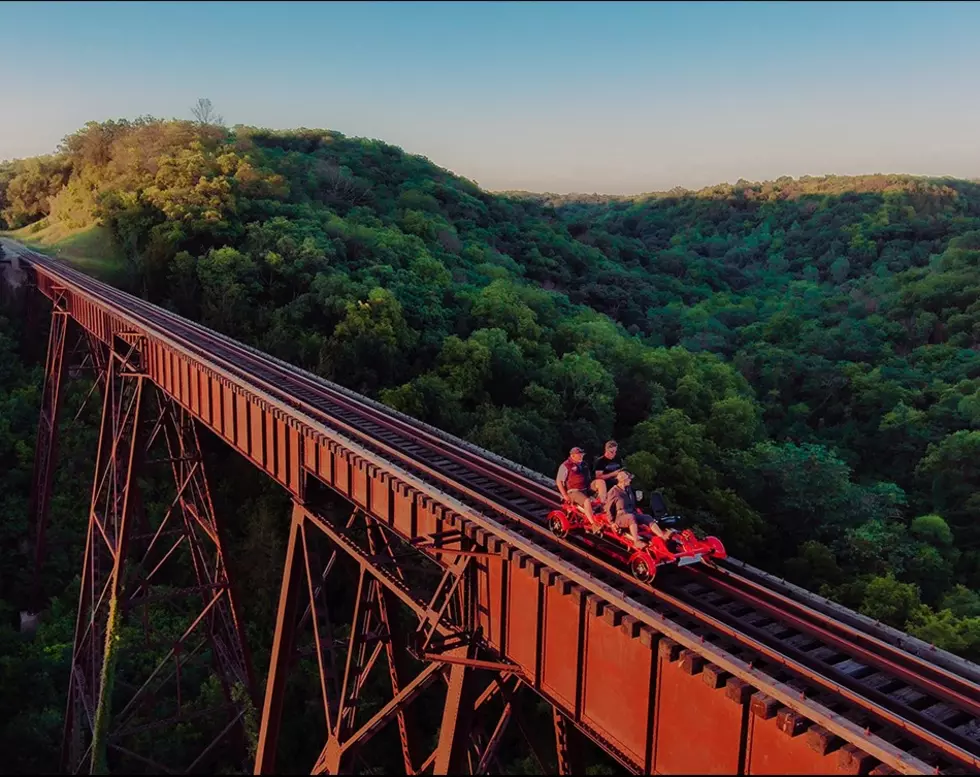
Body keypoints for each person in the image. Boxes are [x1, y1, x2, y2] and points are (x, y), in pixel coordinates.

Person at [605, 470, 668, 548]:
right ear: (622, 480)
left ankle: (662, 536)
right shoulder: (613, 492)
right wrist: (612, 523)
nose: (630, 480)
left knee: (647, 517)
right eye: (628, 479)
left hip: (631, 512)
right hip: (621, 517)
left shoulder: (628, 489)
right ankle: (636, 541)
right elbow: (608, 508)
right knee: (631, 517)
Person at [556, 446, 596, 528]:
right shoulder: (566, 466)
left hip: (585, 489)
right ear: (573, 455)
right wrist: (565, 495)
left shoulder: (584, 464)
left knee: (600, 483)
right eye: (579, 455)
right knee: (587, 501)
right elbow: (559, 481)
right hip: (574, 491)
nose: (582, 456)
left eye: (582, 455)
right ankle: (593, 524)